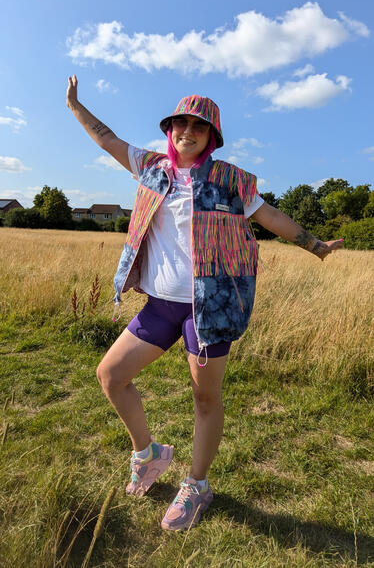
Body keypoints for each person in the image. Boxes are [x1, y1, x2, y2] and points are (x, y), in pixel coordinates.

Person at [66, 75, 343, 531]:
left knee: (205, 397)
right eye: (179, 124)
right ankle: (148, 453)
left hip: (208, 308)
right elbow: (107, 139)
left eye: (198, 127)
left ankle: (197, 485)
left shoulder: (230, 179)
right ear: (169, 129)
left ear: (211, 137)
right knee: (111, 375)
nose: (186, 133)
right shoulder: (150, 167)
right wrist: (76, 105)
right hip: (161, 306)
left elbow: (269, 216)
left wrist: (314, 245)